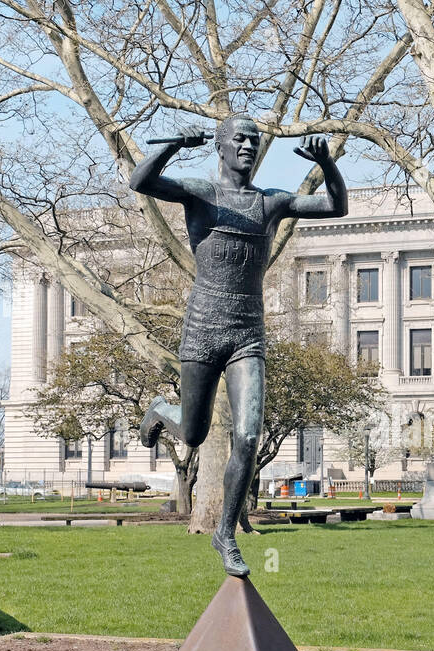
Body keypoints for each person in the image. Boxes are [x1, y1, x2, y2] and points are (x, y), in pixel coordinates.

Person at [130, 114, 347, 575]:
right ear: (221, 147)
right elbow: (141, 180)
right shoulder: (201, 194)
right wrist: (173, 146)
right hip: (203, 329)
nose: (248, 146)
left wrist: (328, 164)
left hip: (248, 333)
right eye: (240, 140)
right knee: (193, 433)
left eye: (254, 141)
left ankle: (225, 534)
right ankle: (160, 410)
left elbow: (335, 206)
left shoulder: (272, 203)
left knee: (248, 436)